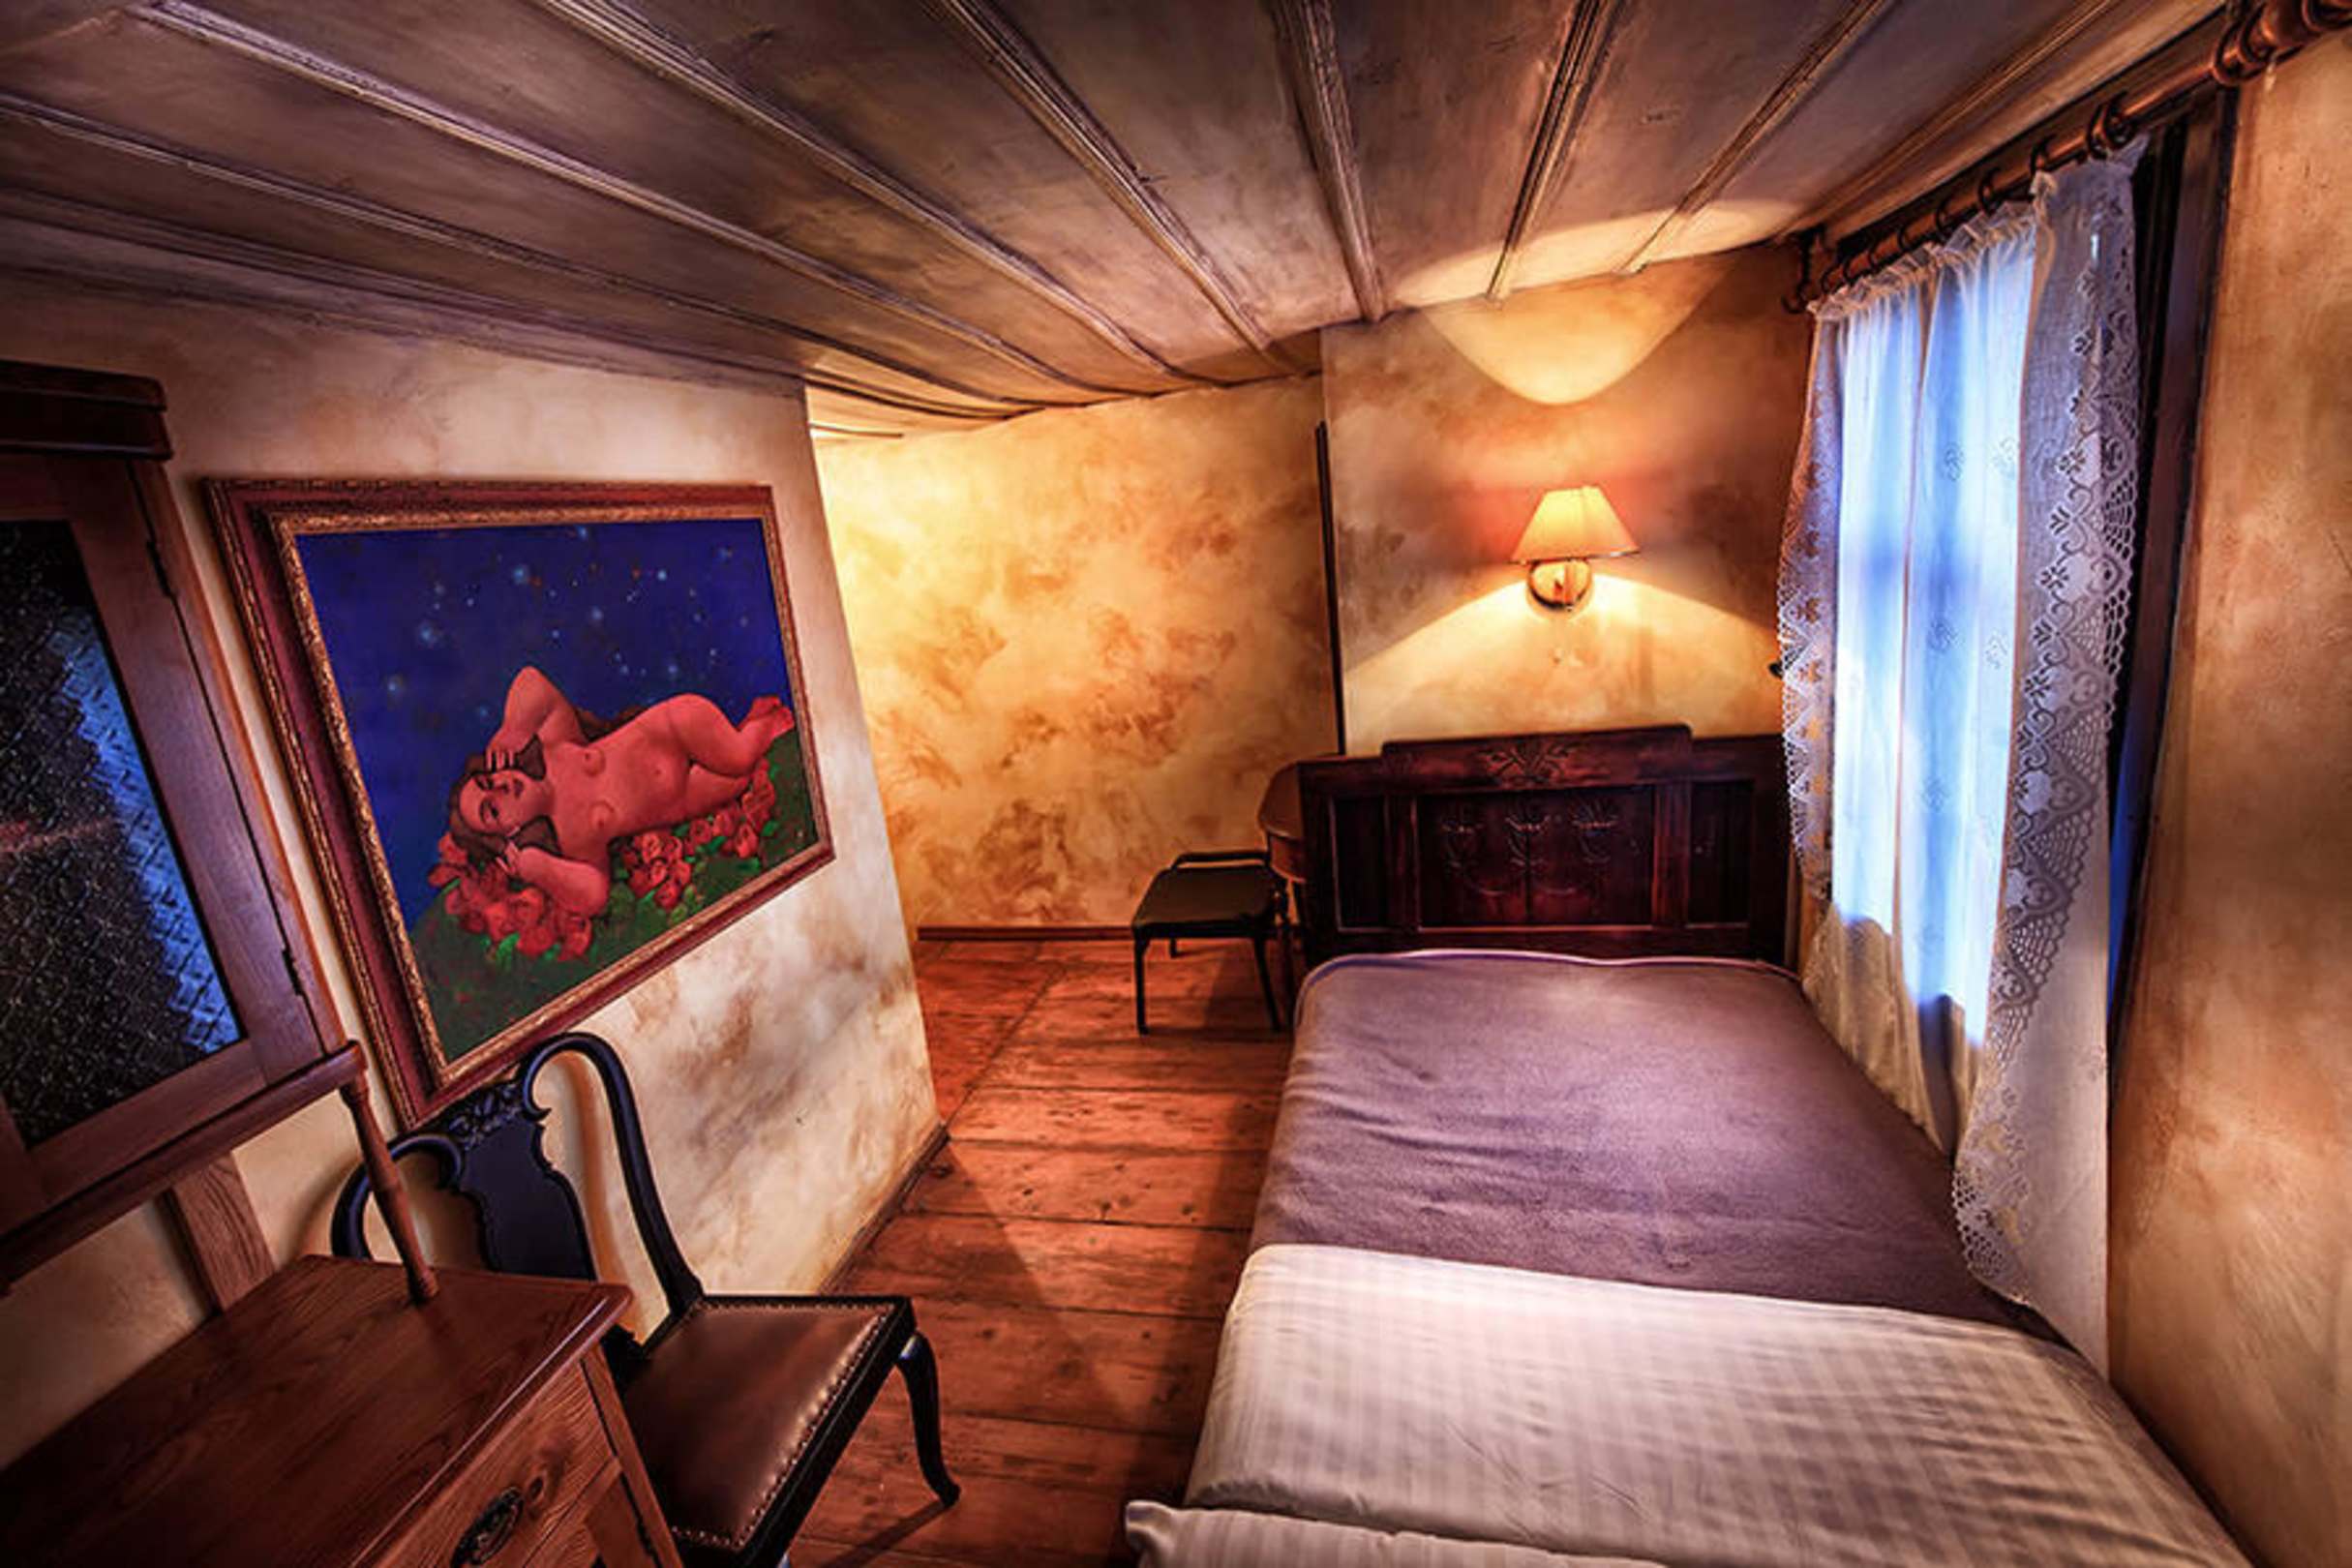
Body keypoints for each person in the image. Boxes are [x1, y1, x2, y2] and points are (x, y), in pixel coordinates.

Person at [445, 665, 793, 915]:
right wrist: (539, 868)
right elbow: (594, 894)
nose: (501, 788)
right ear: (511, 830)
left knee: (739, 758)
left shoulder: (556, 746)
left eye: (489, 781)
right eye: (492, 809)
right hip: (684, 797)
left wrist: (513, 726)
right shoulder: (571, 835)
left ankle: (761, 729)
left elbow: (532, 681)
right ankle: (753, 723)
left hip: (676, 728)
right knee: (738, 780)